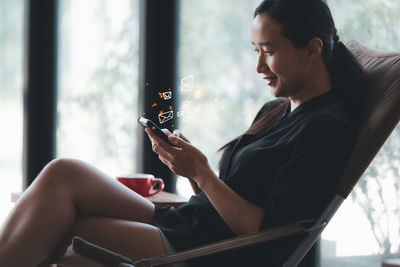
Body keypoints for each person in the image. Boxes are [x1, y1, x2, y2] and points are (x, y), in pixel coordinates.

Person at [0, 0, 365, 266]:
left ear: (312, 49)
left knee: (62, 225)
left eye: (268, 52)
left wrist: (203, 174)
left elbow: (268, 232)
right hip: (192, 223)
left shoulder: (325, 129)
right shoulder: (277, 111)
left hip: (210, 251)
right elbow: (238, 194)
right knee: (64, 173)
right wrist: (192, 173)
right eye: (256, 51)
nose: (258, 66)